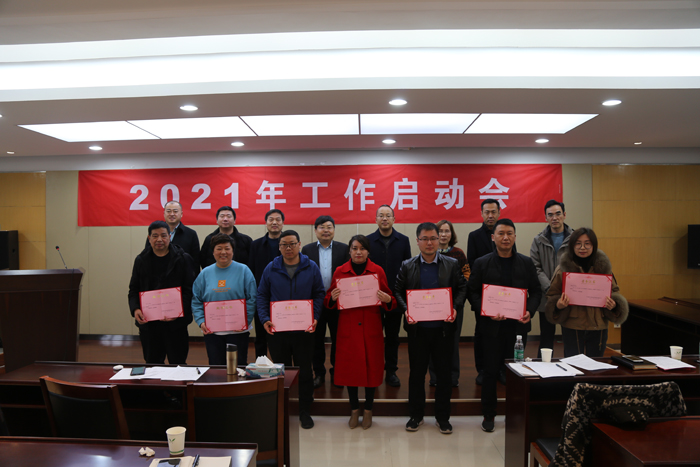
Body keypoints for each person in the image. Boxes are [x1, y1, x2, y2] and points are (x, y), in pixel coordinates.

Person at [468, 219, 540, 433]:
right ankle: (488, 414)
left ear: (515, 236)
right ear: (493, 237)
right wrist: (486, 310)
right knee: (490, 372)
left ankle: (515, 414)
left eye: (509, 233)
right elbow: (472, 292)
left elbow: (536, 291)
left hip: (517, 328)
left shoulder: (526, 263)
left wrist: (530, 311)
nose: (505, 237)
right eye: (501, 233)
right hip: (490, 328)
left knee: (515, 373)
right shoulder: (481, 263)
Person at [395, 222, 467, 435]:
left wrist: (455, 307)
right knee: (417, 374)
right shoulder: (407, 265)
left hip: (443, 329)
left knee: (444, 375)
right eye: (424, 239)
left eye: (433, 238)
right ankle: (416, 415)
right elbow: (398, 291)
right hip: (417, 330)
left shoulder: (451, 264)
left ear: (439, 240)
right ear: (417, 241)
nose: (429, 243)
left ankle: (443, 417)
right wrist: (406, 309)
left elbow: (462, 288)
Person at [324, 234, 396, 429]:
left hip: (371, 326)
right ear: (349, 250)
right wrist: (332, 297)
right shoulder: (340, 271)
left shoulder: (377, 271)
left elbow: (390, 298)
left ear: (368, 251)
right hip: (348, 328)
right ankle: (354, 409)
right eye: (355, 248)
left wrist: (388, 299)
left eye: (362, 248)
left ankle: (369, 410)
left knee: (372, 369)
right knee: (351, 371)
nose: (358, 252)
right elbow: (328, 299)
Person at [256, 230, 325, 429]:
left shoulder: (311, 266)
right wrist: (265, 319)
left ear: (299, 245)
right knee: (282, 371)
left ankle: (304, 410)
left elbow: (319, 293)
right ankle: (284, 408)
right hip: (278, 331)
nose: (288, 248)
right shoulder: (271, 267)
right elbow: (262, 295)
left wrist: (315, 317)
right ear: (279, 247)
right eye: (284, 244)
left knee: (304, 371)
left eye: (292, 244)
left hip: (304, 331)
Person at [545, 227, 629, 357]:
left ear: (593, 245)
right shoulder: (563, 270)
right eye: (578, 243)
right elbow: (551, 295)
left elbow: (615, 292)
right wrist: (558, 304)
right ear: (572, 246)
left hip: (598, 324)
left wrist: (614, 304)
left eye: (587, 243)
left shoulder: (603, 268)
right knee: (573, 364)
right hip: (572, 325)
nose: (582, 248)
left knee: (596, 364)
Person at [128, 220, 194, 364]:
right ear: (149, 238)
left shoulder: (183, 258)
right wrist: (135, 309)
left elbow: (189, 290)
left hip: (176, 324)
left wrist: (178, 311)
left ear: (169, 237)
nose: (159, 239)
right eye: (155, 236)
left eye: (163, 236)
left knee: (178, 364)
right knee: (152, 364)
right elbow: (133, 289)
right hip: (149, 324)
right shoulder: (141, 260)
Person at [192, 233, 257, 366]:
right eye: (219, 248)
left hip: (238, 330)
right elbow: (196, 299)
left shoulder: (244, 270)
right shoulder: (205, 273)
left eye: (227, 248)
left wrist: (245, 320)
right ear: (213, 252)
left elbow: (252, 297)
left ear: (233, 251)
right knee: (216, 367)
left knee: (238, 367)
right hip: (213, 331)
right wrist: (201, 321)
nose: (223, 252)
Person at [301, 215, 349, 389]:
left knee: (339, 340)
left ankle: (338, 372)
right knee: (316, 340)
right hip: (316, 303)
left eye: (329, 227)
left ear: (334, 230)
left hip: (338, 302)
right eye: (322, 227)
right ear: (315, 231)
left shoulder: (344, 249)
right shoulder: (306, 250)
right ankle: (319, 373)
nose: (326, 230)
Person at [367, 204, 412, 387]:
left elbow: (408, 269)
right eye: (381, 215)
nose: (384, 218)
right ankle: (375, 369)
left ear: (394, 219)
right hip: (372, 298)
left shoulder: (403, 240)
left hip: (395, 298)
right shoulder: (368, 241)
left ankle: (391, 371)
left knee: (393, 338)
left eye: (388, 215)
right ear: (375, 219)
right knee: (374, 337)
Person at [428, 219, 470, 387]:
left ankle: (453, 377)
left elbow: (467, 275)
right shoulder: (429, 252)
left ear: (451, 234)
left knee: (452, 342)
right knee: (433, 341)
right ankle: (434, 377)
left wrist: (456, 294)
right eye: (440, 231)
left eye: (447, 231)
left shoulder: (459, 254)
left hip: (454, 304)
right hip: (434, 305)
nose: (443, 234)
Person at [530, 199, 573, 358]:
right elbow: (535, 267)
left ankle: (572, 367)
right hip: (546, 295)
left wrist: (567, 289)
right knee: (546, 336)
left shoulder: (575, 238)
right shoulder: (538, 240)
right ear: (545, 217)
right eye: (550, 215)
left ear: (564, 215)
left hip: (569, 296)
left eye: (558, 214)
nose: (554, 218)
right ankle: (544, 367)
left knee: (570, 337)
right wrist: (550, 288)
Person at [466, 198, 501, 385]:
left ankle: (501, 369)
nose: (490, 215)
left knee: (502, 333)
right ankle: (482, 370)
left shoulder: (504, 233)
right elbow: (472, 263)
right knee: (481, 333)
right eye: (487, 212)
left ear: (499, 213)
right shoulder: (474, 236)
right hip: (483, 293)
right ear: (481, 214)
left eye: (493, 212)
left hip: (503, 294)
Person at [248, 209, 285, 358]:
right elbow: (251, 271)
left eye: (278, 219)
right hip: (262, 296)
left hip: (283, 297)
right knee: (261, 336)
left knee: (282, 335)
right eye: (271, 219)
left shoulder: (288, 244)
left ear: (283, 223)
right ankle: (260, 364)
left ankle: (282, 364)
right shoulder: (255, 245)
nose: (274, 222)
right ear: (266, 223)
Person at [144, 201, 201, 277]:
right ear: (164, 213)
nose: (172, 214)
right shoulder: (155, 233)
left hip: (182, 278)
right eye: (168, 211)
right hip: (157, 276)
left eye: (175, 211)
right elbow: (147, 255)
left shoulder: (191, 234)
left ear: (181, 214)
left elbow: (195, 261)